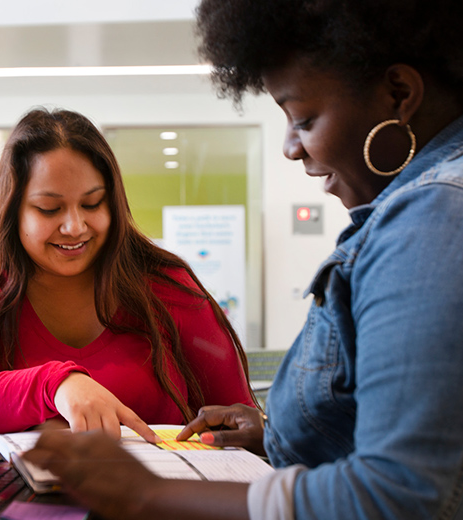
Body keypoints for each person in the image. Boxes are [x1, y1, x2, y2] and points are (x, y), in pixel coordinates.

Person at [23, 1, 463, 519]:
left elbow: (395, 496)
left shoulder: (434, 216)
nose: (291, 148)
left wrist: (146, 493)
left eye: (304, 118)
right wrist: (273, 433)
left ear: (400, 94)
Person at [0, 108, 256, 441]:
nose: (75, 227)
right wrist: (56, 385)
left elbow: (237, 416)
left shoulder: (164, 283)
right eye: (49, 209)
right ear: (12, 212)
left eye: (92, 203)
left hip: (164, 489)